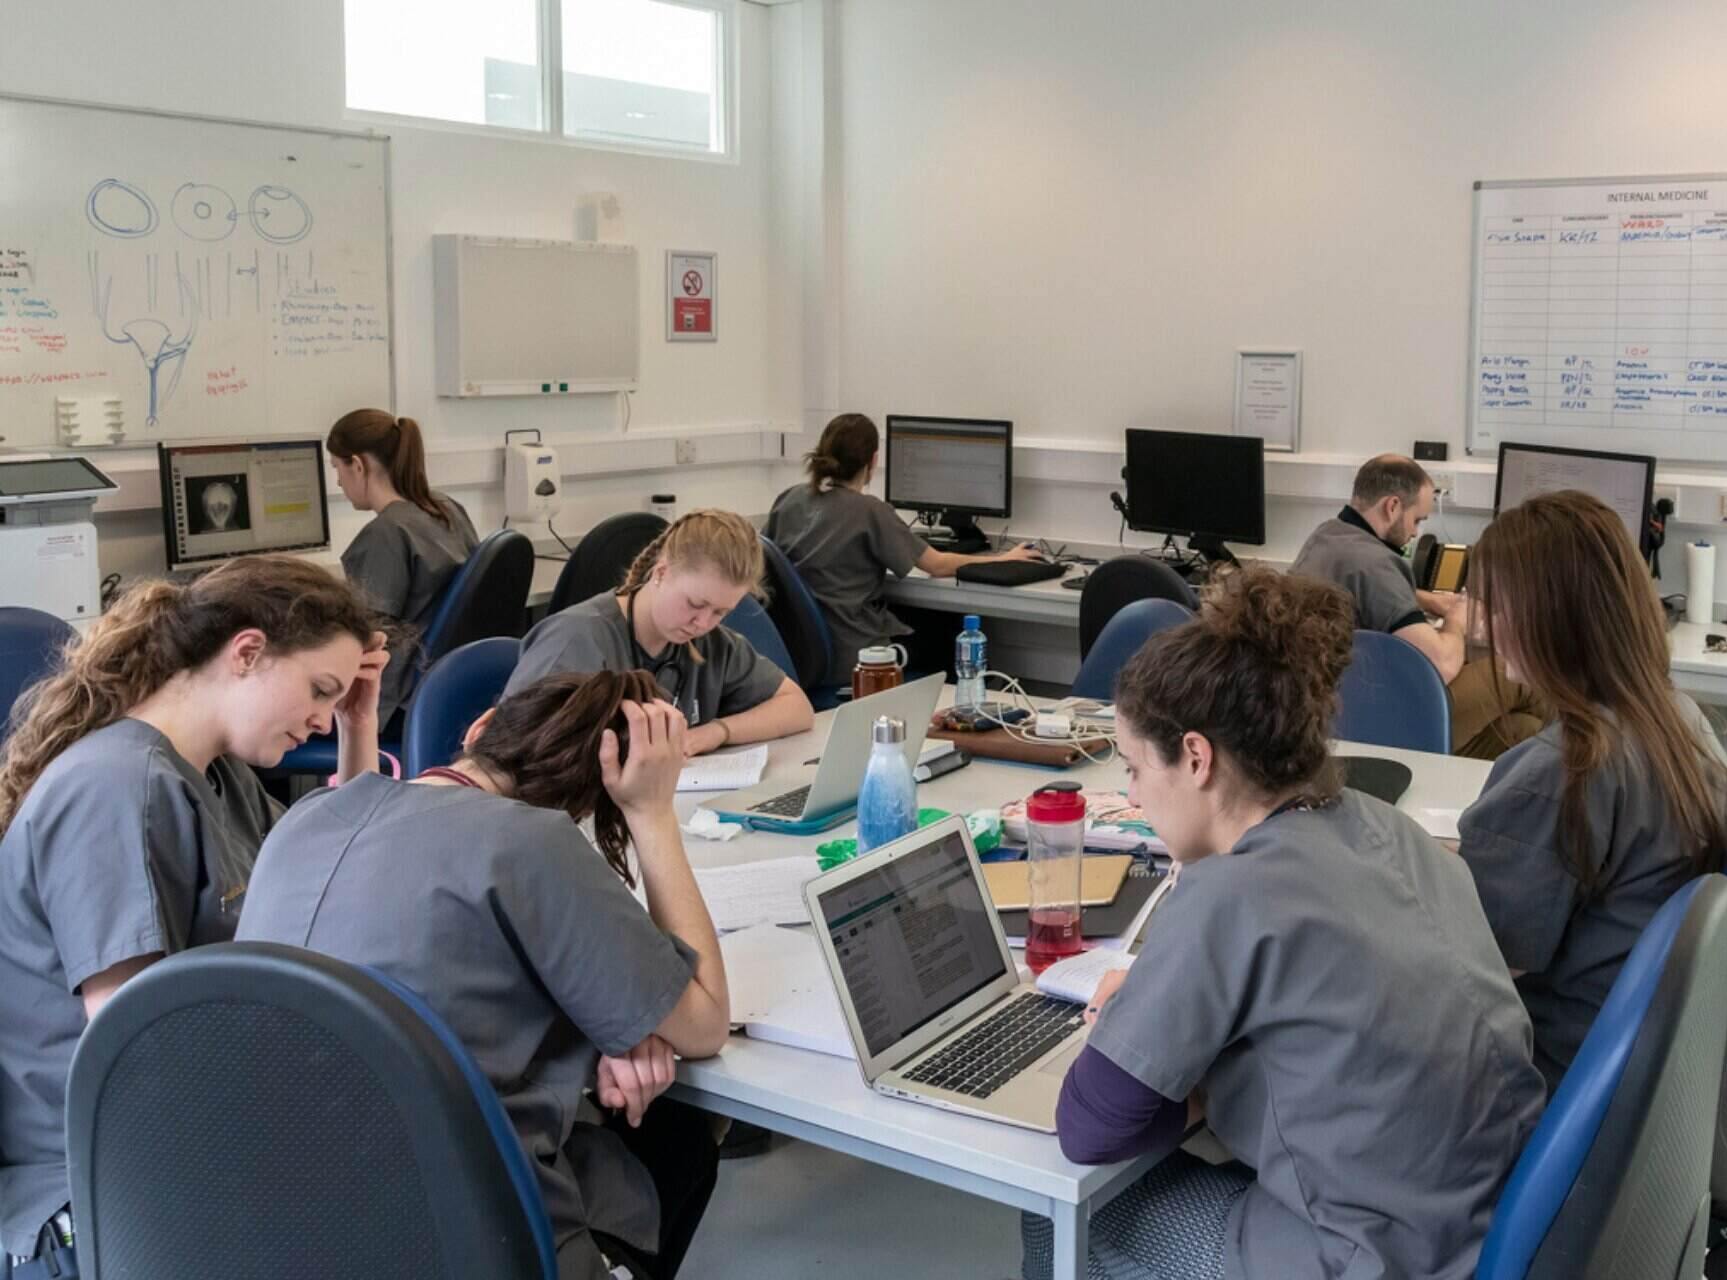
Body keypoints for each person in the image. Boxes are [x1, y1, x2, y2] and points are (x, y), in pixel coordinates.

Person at [1023, 567, 1543, 1280]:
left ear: (1197, 758)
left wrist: (1189, 1079)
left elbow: (1090, 1127)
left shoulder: (1229, 892)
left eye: (1135, 766)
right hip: (1495, 1218)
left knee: (1053, 1215)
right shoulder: (1390, 828)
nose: (1131, 792)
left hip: (1373, 1257)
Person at [238, 670, 728, 1280]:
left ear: (479, 729)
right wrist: (653, 816)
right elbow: (704, 1022)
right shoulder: (533, 841)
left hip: (273, 1205)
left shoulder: (307, 815)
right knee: (676, 1137)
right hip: (458, 1222)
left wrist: (616, 1020)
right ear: (591, 800)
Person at [0, 557, 387, 1274]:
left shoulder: (217, 773)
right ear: (246, 653)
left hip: (172, 1153)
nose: (320, 718)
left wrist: (359, 725)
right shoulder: (115, 789)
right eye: (319, 691)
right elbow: (136, 1052)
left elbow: (335, 877)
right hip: (97, 1202)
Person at [1455, 490, 1727, 1091]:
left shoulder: (1557, 772)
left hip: (1545, 1073)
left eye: (1497, 605)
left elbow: (1473, 969)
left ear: (1551, 616)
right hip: (1642, 1067)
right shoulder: (1679, 720)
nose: (1483, 625)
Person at [1290, 453, 1546, 759]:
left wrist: (1425, 598)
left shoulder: (1326, 536)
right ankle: (1590, 762)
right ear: (1392, 506)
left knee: (1524, 729)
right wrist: (1456, 620)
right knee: (1518, 671)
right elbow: (1443, 665)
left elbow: (1361, 587)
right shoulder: (1376, 564)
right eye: (1417, 520)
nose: (1415, 533)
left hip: (1325, 713)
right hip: (1377, 722)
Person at [764, 413, 1043, 684]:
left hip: (797, 654)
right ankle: (969, 717)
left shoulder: (789, 499)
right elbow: (936, 566)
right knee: (955, 629)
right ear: (873, 461)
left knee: (917, 618)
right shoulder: (870, 511)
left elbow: (764, 559)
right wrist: (1005, 558)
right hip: (854, 655)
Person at [506, 509, 812, 755]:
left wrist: (715, 732)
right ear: (661, 572)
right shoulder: (575, 640)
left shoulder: (713, 645)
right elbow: (517, 754)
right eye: (695, 603)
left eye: (721, 612)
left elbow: (797, 707)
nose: (703, 624)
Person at [327, 408, 480, 731]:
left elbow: (367, 638)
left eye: (337, 468)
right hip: (451, 693)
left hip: (393, 707)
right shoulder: (447, 509)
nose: (338, 480)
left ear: (358, 464)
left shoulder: (386, 534)